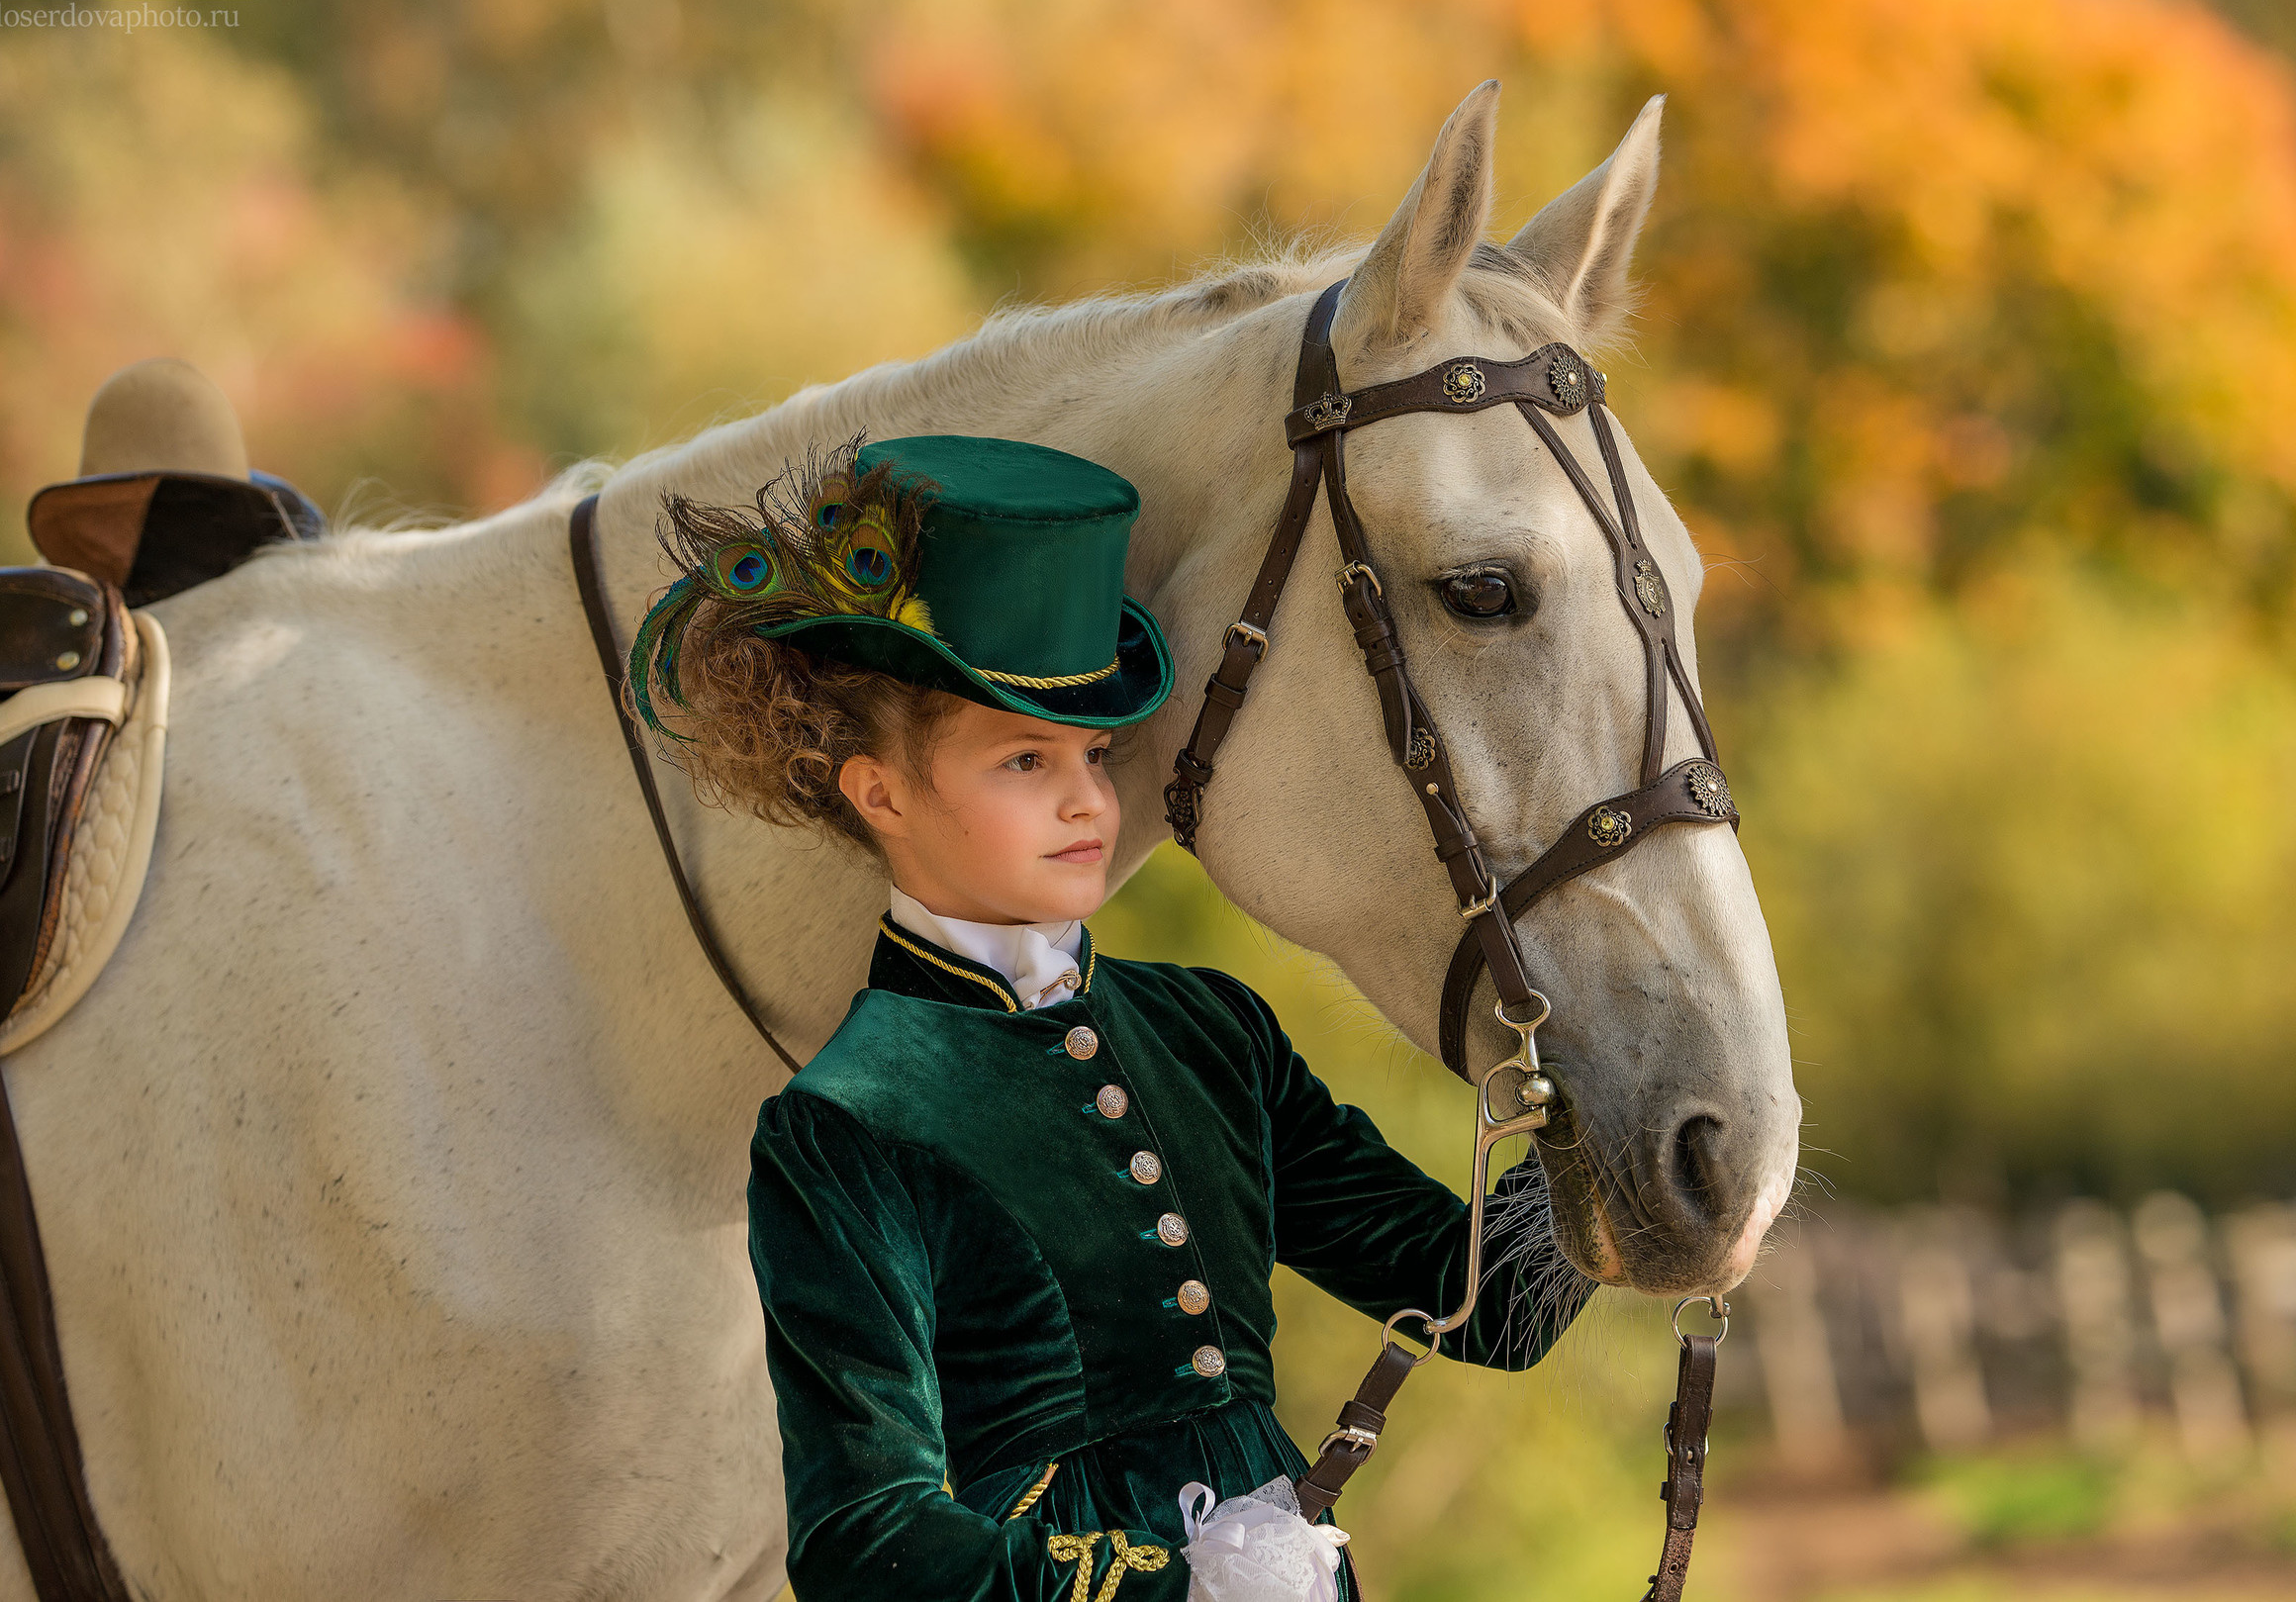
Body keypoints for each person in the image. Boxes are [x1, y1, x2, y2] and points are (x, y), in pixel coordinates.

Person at [630, 434, 1589, 1602]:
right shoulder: (845, 1123)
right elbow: (864, 1541)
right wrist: (1165, 1584)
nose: (1087, 799)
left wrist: (1608, 1115)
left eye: (1095, 751)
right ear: (878, 789)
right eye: (1025, 758)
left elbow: (1482, 1300)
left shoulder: (1210, 1028)